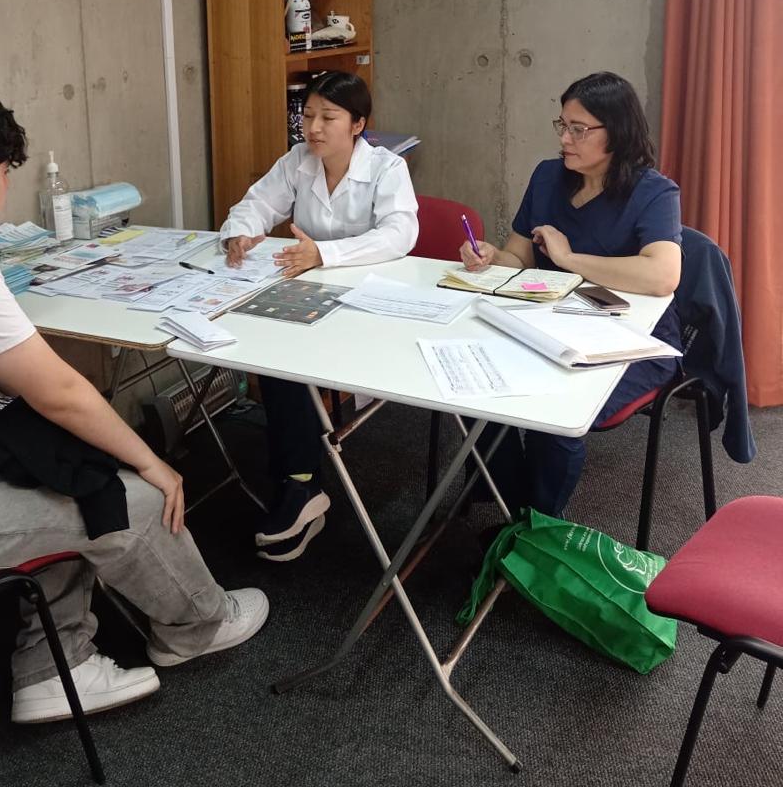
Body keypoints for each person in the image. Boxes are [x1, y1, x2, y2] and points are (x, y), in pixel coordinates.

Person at [0, 87, 268, 725]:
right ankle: (198, 625)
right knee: (127, 498)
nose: (4, 187)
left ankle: (54, 669)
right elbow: (58, 392)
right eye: (4, 174)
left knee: (65, 464)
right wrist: (155, 464)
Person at [460, 71, 682, 518]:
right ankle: (511, 506)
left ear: (616, 132)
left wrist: (568, 258)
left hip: (635, 342)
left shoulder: (653, 191)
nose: (565, 139)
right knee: (476, 381)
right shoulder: (548, 177)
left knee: (555, 414)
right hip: (552, 325)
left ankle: (537, 525)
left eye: (579, 129)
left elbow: (662, 276)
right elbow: (519, 257)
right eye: (562, 125)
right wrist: (491, 257)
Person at [220, 70, 419, 561]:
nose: (313, 128)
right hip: (307, 293)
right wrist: (240, 232)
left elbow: (399, 235)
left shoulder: (387, 168)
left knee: (289, 361)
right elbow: (256, 203)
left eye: (328, 117)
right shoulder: (298, 161)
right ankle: (300, 483)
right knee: (273, 353)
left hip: (368, 303)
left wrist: (325, 254)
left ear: (358, 124)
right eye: (308, 115)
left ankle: (298, 483)